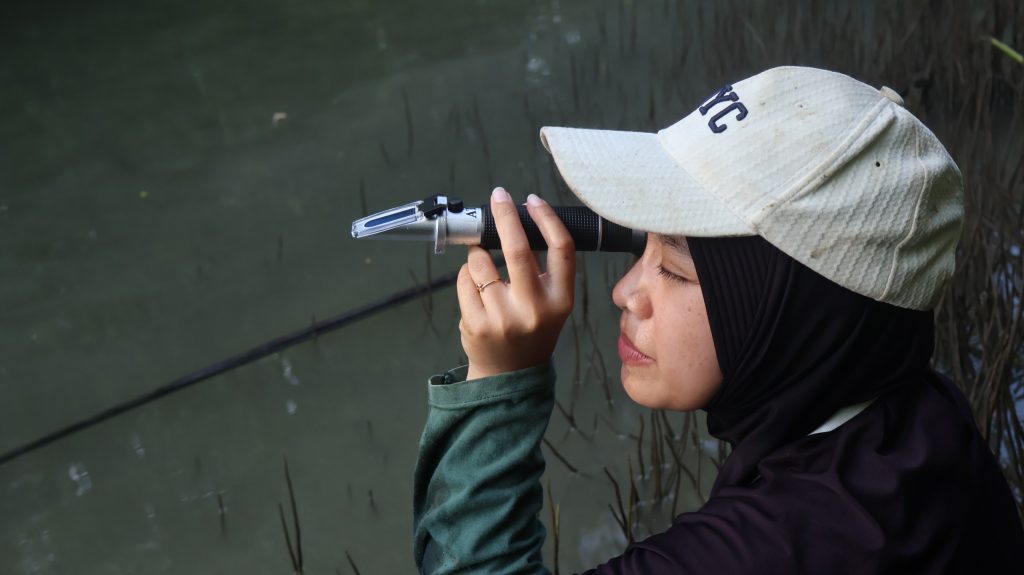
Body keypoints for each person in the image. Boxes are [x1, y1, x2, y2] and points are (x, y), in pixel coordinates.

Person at [411, 66, 1024, 574]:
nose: (626, 292)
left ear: (792, 316)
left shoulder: (773, 550)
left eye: (676, 269)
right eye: (644, 247)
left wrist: (498, 384)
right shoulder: (918, 418)